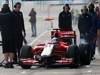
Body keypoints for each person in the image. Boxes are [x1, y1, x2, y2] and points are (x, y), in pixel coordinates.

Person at [0, 4, 16, 68]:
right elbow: (15, 23)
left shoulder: (0, 15)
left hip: (4, 34)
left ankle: (6, 62)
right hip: (12, 34)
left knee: (5, 49)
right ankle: (11, 62)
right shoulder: (12, 14)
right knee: (11, 49)